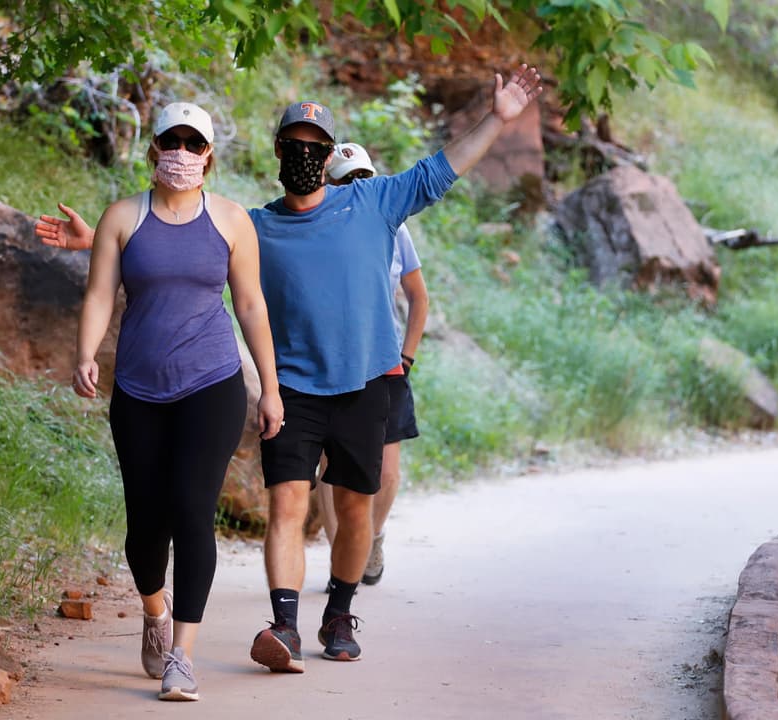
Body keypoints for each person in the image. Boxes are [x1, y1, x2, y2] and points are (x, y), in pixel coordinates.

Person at [37, 63, 542, 672]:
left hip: (366, 382)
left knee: (355, 508)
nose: (305, 155)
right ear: (278, 150)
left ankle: (340, 609)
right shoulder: (256, 225)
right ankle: (284, 625)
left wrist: (497, 118)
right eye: (295, 146)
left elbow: (443, 168)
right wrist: (101, 242)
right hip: (294, 388)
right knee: (288, 504)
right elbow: (182, 239)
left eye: (316, 148)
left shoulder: (374, 201)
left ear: (329, 156)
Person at [62, 101, 284, 702]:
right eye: (172, 140)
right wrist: (86, 353)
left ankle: (181, 655)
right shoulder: (122, 217)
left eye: (194, 143)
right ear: (154, 146)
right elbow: (101, 293)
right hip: (137, 386)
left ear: (209, 154)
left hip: (211, 383)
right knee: (144, 527)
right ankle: (154, 612)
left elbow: (252, 306)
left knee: (191, 511)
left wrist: (270, 386)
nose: (182, 152)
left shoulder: (233, 221)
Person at [315, 142, 429, 588]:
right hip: (332, 361)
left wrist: (407, 354)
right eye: (347, 180)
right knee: (331, 465)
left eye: (364, 178)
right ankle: (340, 555)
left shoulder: (394, 227)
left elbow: (419, 297)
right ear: (330, 185)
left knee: (386, 472)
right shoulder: (317, 228)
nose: (357, 188)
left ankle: (372, 536)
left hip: (386, 362)